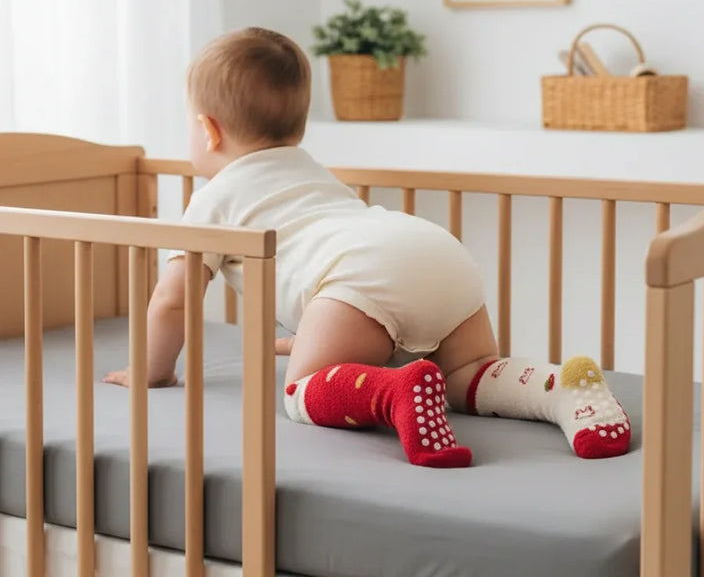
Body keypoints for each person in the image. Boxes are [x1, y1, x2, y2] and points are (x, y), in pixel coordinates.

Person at [104, 27, 631, 467]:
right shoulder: (311, 172)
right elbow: (332, 267)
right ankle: (560, 387)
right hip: (435, 252)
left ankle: (395, 391)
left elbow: (173, 300)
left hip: (363, 276)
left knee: (302, 391)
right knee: (469, 376)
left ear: (207, 130)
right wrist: (313, 330)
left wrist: (153, 372)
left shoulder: (212, 199)